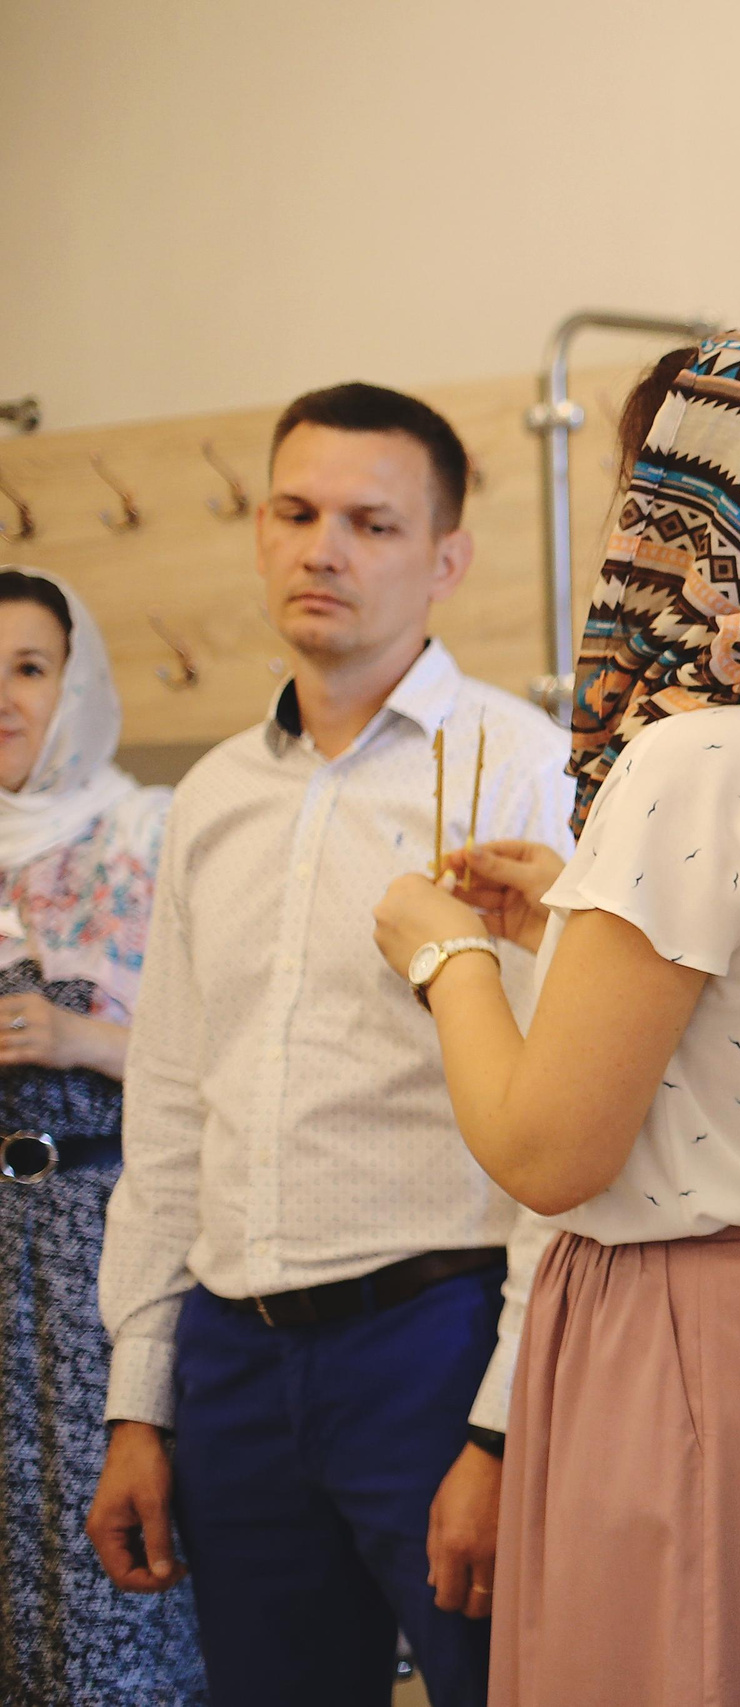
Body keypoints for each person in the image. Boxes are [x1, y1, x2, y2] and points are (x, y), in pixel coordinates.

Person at [369, 329, 740, 1707]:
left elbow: (546, 1149)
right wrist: (565, 927)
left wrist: (444, 954)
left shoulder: (692, 758)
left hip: (686, 1342)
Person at [89, 383, 573, 1707]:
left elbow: (562, 1122)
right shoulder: (212, 797)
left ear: (447, 558)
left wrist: (501, 1418)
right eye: (297, 512)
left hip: (431, 1334)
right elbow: (174, 1105)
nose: (326, 549)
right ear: (259, 530)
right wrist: (143, 1400)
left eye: (371, 521)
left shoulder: (521, 767)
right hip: (232, 1356)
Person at [0, 568, 203, 1704]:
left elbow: (226, 1065)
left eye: (30, 669)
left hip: (103, 1245)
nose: (5, 699)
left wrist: (83, 1041)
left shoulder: (148, 836)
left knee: (106, 1559)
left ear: (77, 690)